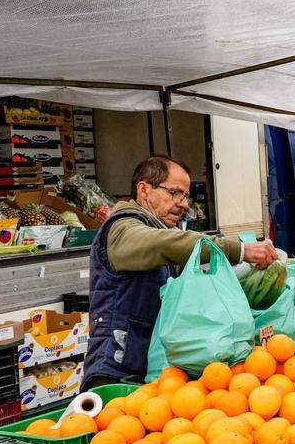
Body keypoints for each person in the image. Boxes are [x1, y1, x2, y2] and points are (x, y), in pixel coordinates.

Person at [83, 155, 278, 388]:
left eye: (185, 195)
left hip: (151, 372)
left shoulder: (158, 228)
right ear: (144, 190)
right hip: (115, 371)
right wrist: (239, 250)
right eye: (174, 193)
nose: (184, 203)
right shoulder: (122, 228)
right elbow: (164, 243)